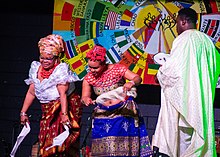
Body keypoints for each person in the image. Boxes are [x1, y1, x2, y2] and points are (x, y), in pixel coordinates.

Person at [152, 8, 220, 157]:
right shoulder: (208, 42)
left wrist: (160, 74)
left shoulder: (183, 39)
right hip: (201, 100)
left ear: (183, 21)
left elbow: (174, 70)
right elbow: (215, 69)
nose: (176, 28)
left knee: (184, 142)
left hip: (185, 102)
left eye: (176, 23)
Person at [81, 45, 153, 157]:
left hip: (122, 112)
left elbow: (137, 78)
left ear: (104, 64)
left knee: (124, 146)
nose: (92, 70)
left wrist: (131, 83)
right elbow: (84, 96)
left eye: (95, 68)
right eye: (90, 67)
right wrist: (86, 100)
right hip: (103, 115)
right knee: (104, 149)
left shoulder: (118, 69)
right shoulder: (88, 78)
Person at [20, 34, 82, 157]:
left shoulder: (60, 70)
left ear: (56, 58)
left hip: (61, 109)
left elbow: (63, 94)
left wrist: (64, 115)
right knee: (45, 140)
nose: (44, 61)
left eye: (48, 59)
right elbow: (31, 92)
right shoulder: (36, 68)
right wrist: (23, 112)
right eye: (42, 58)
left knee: (59, 143)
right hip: (47, 111)